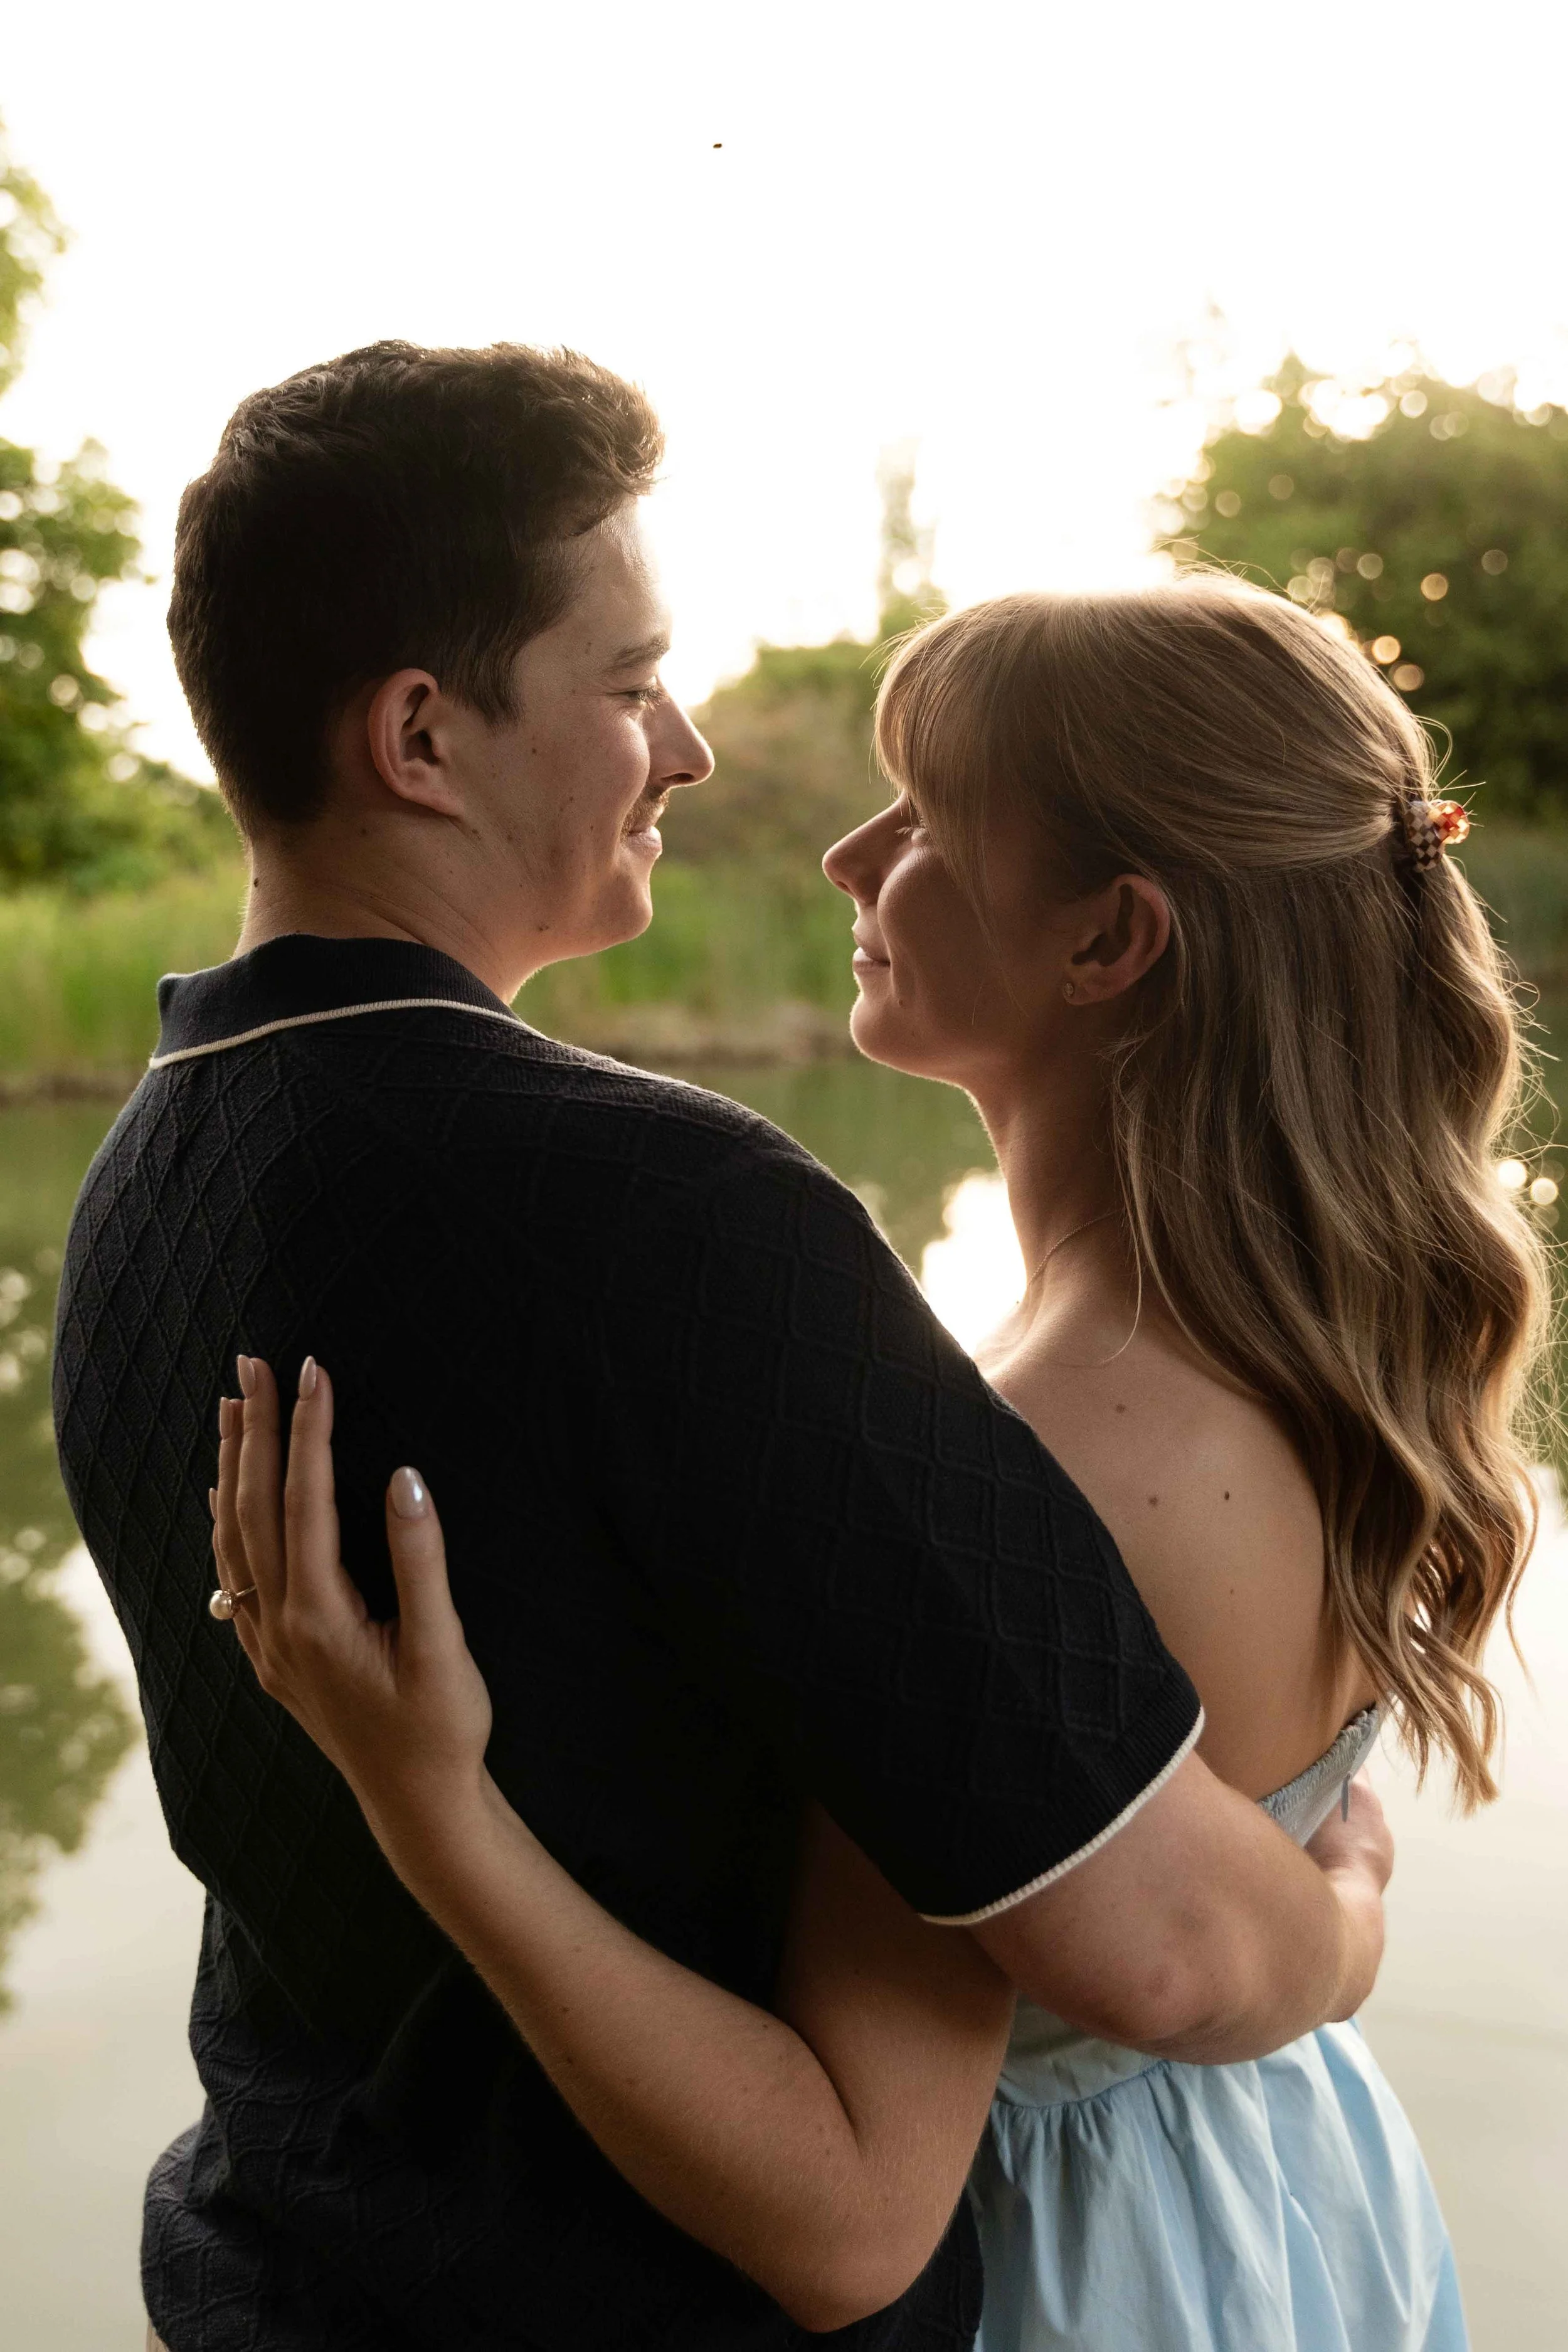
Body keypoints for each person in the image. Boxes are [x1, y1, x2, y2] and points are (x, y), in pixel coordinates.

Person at [53, 342, 1392, 2352]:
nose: (684, 747)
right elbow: (1168, 1948)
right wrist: (1346, 1920)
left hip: (280, 2280)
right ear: (419, 735)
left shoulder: (138, 1183)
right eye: (627, 684)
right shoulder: (670, 1216)